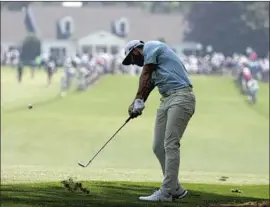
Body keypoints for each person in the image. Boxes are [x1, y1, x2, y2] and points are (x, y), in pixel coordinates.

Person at [122, 40, 196, 202]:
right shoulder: (155, 68)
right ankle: (176, 188)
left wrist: (138, 100)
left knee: (170, 144)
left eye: (132, 61)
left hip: (182, 97)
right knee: (158, 146)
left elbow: (145, 74)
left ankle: (166, 192)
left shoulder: (152, 47)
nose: (134, 65)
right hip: (167, 100)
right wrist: (136, 104)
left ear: (135, 51)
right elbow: (146, 86)